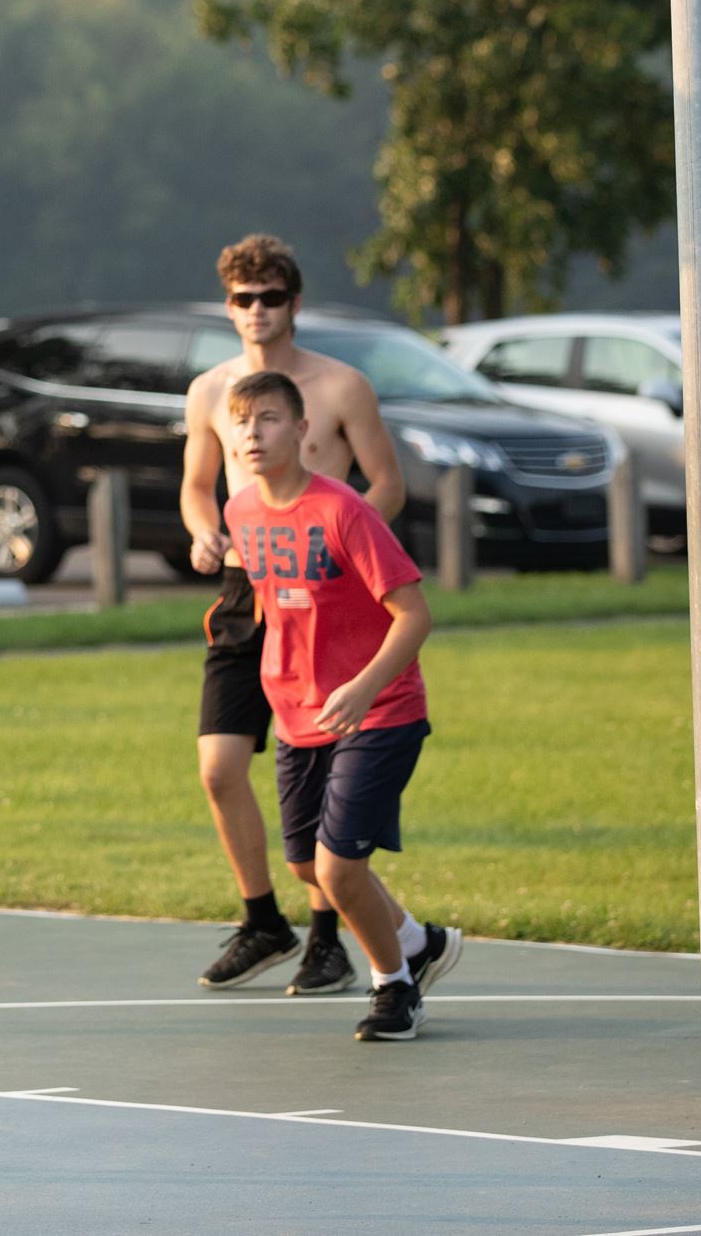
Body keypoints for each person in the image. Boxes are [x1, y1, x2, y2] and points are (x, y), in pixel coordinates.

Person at [181, 235, 404, 997]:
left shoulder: (340, 387)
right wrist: (202, 529)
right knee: (218, 767)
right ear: (228, 306)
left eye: (270, 297)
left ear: (294, 303)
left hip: (321, 597)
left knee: (311, 759)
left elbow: (387, 485)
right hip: (246, 596)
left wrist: (336, 555)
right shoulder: (211, 391)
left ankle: (325, 939)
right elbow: (196, 484)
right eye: (242, 298)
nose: (256, 311)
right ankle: (261, 920)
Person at [220, 371, 462, 1042]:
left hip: (379, 707)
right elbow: (279, 604)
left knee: (336, 868)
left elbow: (414, 615)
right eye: (241, 421)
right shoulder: (240, 513)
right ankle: (416, 939)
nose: (252, 432)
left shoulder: (344, 511)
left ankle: (396, 987)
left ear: (303, 432)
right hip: (300, 713)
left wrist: (361, 685)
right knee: (304, 864)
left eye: (268, 419)